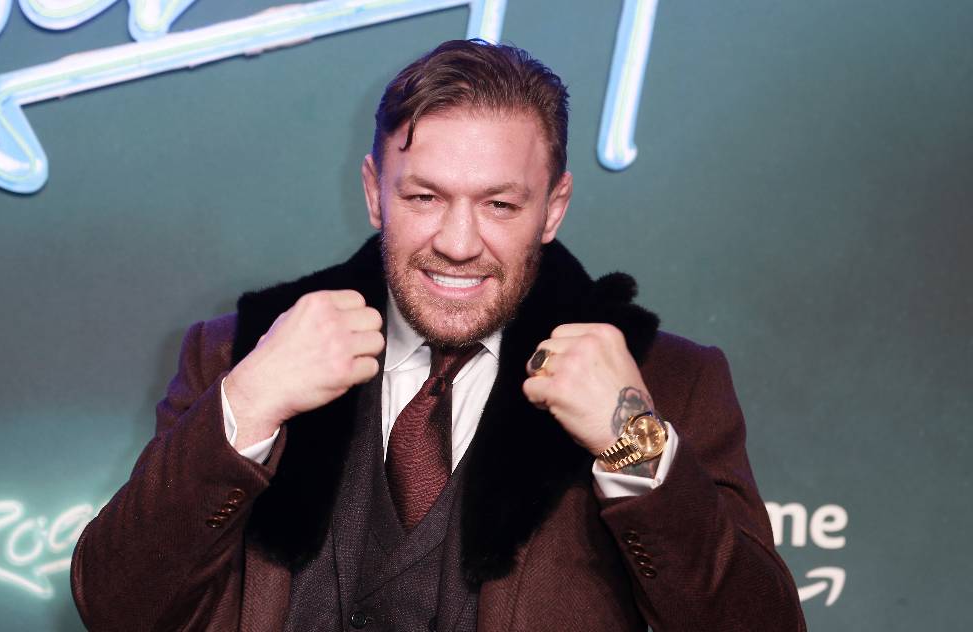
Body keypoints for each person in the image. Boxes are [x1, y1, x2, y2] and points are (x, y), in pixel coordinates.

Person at [71, 39, 806, 631]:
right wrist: (250, 403)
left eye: (499, 205)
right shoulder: (239, 355)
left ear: (553, 209)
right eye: (424, 197)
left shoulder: (667, 384)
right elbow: (116, 607)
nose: (458, 243)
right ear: (374, 193)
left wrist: (633, 443)